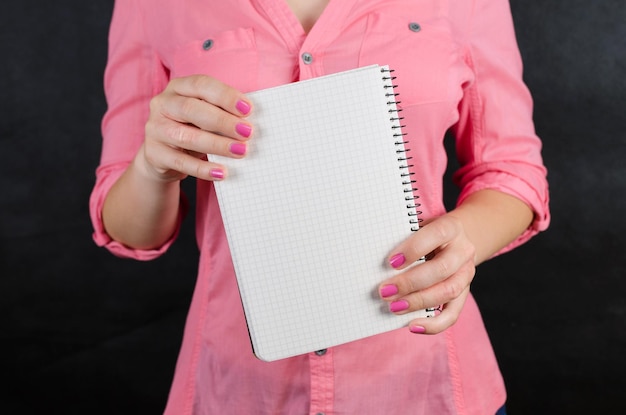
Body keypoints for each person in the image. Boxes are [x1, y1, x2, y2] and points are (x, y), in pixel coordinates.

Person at [90, 0, 550, 413]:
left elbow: (511, 169)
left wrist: (462, 243)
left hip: (426, 382)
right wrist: (152, 168)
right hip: (239, 389)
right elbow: (130, 229)